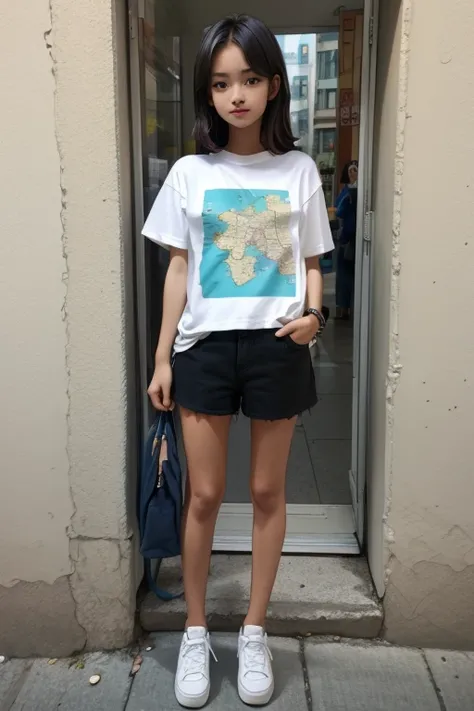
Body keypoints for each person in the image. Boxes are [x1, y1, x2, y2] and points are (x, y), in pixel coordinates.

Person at [142, 14, 334, 708]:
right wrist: (162, 356)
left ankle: (253, 629)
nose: (237, 95)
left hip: (277, 345)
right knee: (201, 495)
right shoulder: (192, 173)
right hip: (204, 348)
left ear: (274, 86)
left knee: (265, 493)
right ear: (208, 94)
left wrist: (314, 314)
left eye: (250, 78)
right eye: (222, 82)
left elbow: (313, 260)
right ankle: (197, 629)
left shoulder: (299, 169)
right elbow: (176, 270)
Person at [334, 160, 358, 319]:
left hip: (351, 237)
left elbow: (339, 211)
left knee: (346, 275)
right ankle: (344, 308)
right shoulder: (346, 191)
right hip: (347, 237)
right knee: (344, 275)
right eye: (350, 171)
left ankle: (347, 307)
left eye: (355, 170)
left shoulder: (350, 191)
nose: (352, 174)